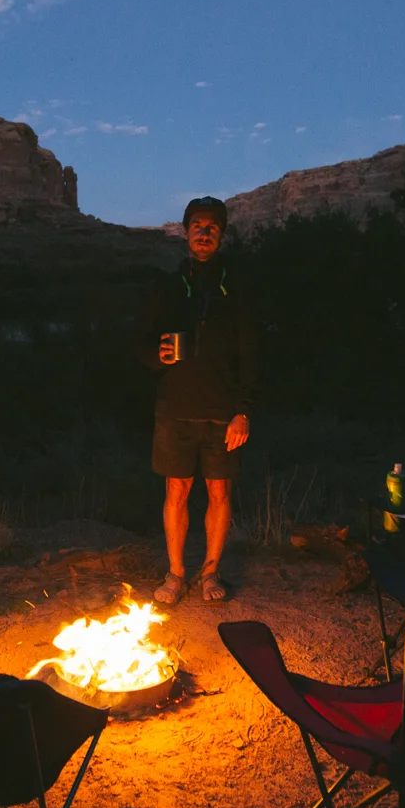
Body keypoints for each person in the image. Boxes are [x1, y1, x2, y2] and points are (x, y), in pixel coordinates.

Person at [136, 196, 258, 604]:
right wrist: (158, 356)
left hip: (222, 413)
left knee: (219, 494)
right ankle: (174, 574)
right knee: (176, 492)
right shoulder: (169, 287)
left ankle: (210, 574)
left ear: (221, 234)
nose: (204, 232)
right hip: (175, 409)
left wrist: (243, 411)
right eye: (197, 225)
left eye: (212, 226)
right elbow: (141, 343)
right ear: (185, 231)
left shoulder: (237, 288)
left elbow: (251, 356)